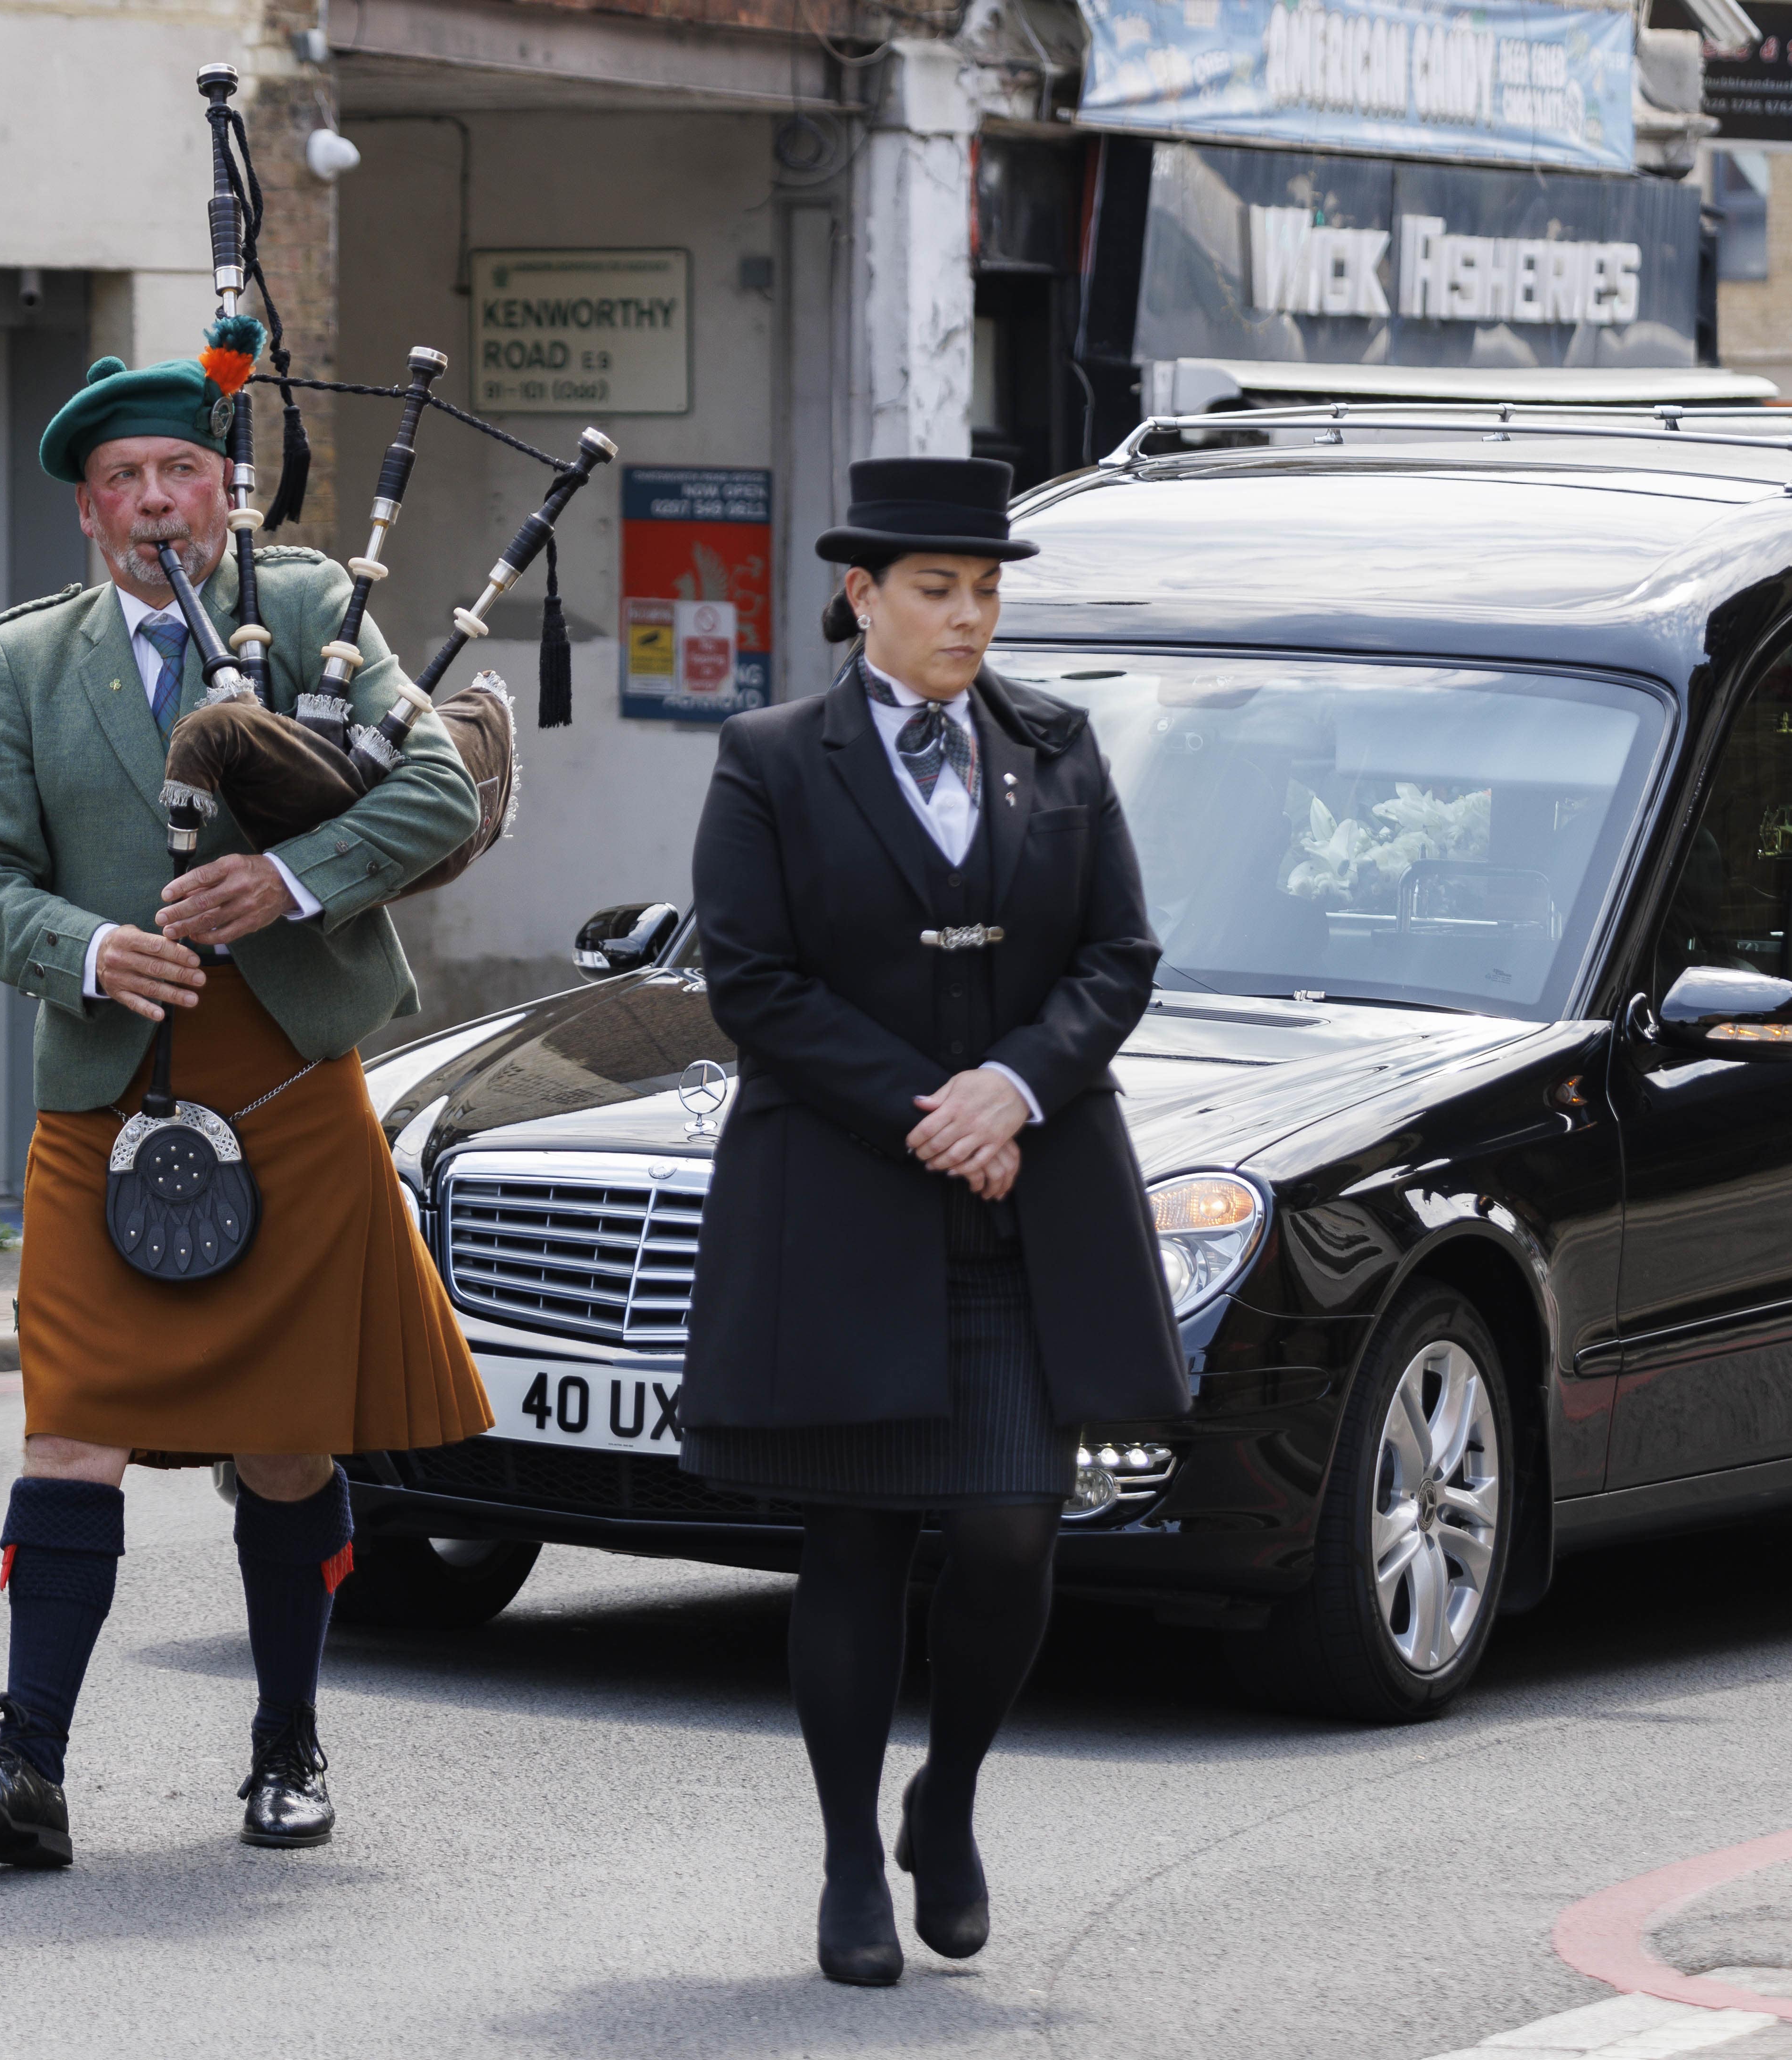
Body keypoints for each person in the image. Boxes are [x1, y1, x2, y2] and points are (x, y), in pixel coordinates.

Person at [0, 336, 491, 1869]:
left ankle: (288, 1748)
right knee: (72, 1426)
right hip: (111, 1092)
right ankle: (27, 1767)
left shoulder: (306, 611)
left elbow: (440, 790)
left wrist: (290, 879)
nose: (155, 502)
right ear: (91, 518)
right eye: (124, 482)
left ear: (224, 496)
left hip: (288, 1077)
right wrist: (92, 949)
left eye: (180, 472)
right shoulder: (29, 660)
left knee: (289, 1444)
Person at [679, 457, 1191, 1985]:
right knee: (850, 1542)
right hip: (842, 1203)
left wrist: (1013, 1092)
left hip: (1024, 1203)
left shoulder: (1057, 742)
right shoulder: (769, 756)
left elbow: (1117, 953)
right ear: (862, 596)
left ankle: (946, 1802)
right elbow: (752, 983)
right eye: (935, 590)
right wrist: (929, 1108)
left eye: (983, 591)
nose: (968, 617)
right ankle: (846, 1859)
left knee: (1012, 1531)